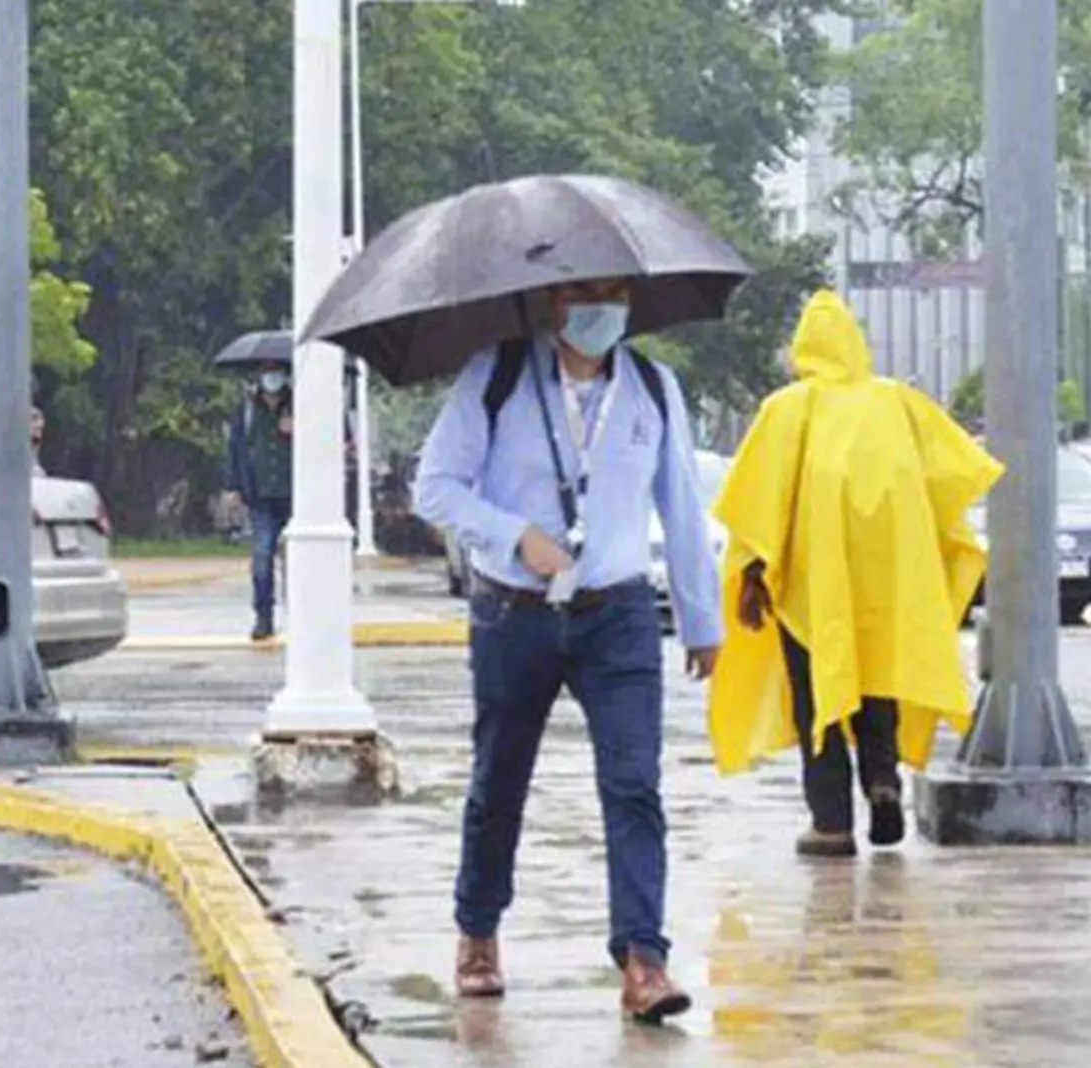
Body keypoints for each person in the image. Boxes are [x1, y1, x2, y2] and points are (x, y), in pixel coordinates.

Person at [413, 277, 721, 1023]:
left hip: (617, 614)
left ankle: (644, 957)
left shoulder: (652, 386)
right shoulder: (499, 374)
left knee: (633, 784)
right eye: (586, 293)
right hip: (512, 612)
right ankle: (478, 931)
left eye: (615, 292)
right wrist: (515, 535)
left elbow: (681, 502)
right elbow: (435, 487)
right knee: (500, 782)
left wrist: (700, 615)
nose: (602, 307)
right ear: (553, 301)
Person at [706, 291, 1002, 857]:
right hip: (889, 583)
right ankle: (883, 780)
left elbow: (757, 506)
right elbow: (951, 477)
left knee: (816, 697)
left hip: (808, 586)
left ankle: (831, 821)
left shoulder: (787, 409)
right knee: (877, 683)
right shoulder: (898, 403)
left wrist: (750, 577)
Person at [225, 362, 295, 642]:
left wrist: (299, 430)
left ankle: (300, 613)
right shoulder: (246, 410)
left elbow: (331, 436)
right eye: (267, 371)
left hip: (296, 495)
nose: (272, 377)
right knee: (262, 555)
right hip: (261, 496)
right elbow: (235, 448)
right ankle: (263, 616)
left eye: (277, 370)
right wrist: (233, 487)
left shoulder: (301, 404)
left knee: (297, 560)